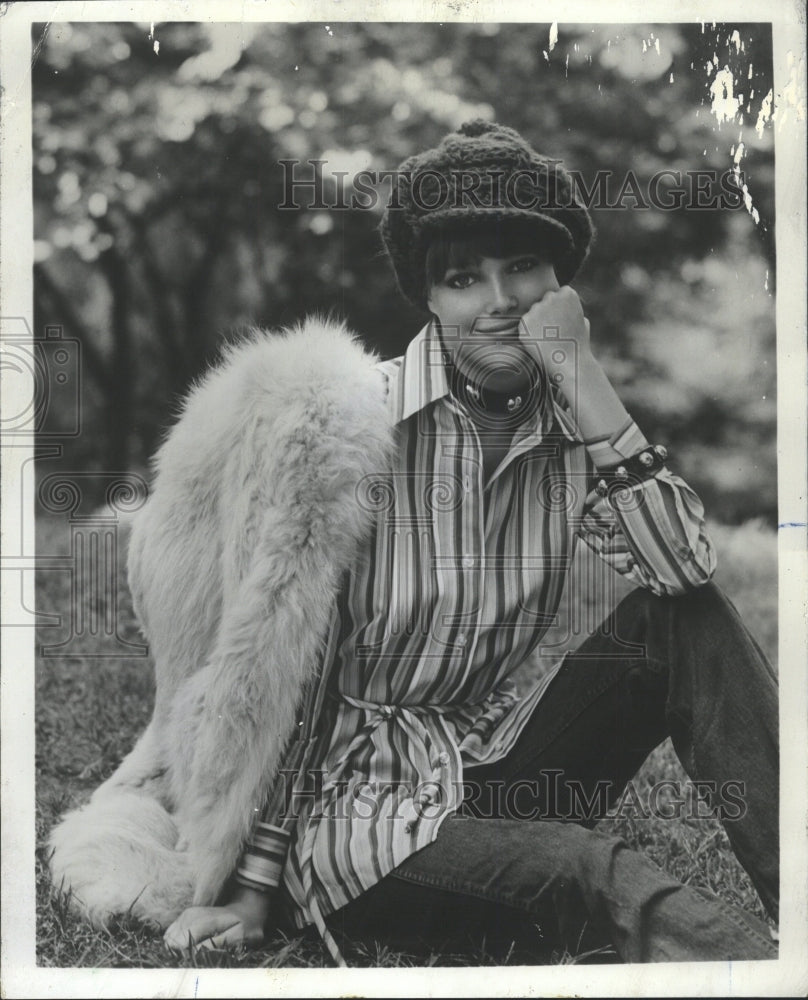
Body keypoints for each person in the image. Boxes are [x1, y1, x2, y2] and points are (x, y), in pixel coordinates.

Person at [49, 121, 778, 966]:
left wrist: (586, 383)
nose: (497, 300)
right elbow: (279, 665)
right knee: (590, 874)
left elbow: (684, 569)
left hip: (471, 775)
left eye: (521, 269)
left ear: (560, 286)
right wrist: (253, 883)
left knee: (680, 621)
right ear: (429, 298)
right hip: (342, 822)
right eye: (464, 278)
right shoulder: (352, 427)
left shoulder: (571, 432)